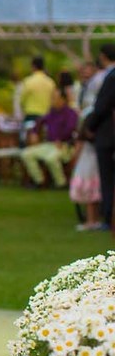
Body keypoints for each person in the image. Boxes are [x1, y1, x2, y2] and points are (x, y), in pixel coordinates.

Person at [83, 45, 115, 227]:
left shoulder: (110, 77)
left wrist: (90, 127)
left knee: (107, 177)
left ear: (103, 57)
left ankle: (109, 217)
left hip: (108, 135)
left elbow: (101, 106)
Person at [23, 86, 77, 188]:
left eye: (55, 98)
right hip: (49, 144)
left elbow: (70, 129)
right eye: (52, 97)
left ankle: (61, 183)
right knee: (26, 154)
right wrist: (34, 133)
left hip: (64, 146)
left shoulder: (71, 113)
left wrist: (61, 140)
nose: (52, 100)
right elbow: (39, 122)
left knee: (51, 158)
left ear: (63, 100)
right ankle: (40, 181)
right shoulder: (52, 113)